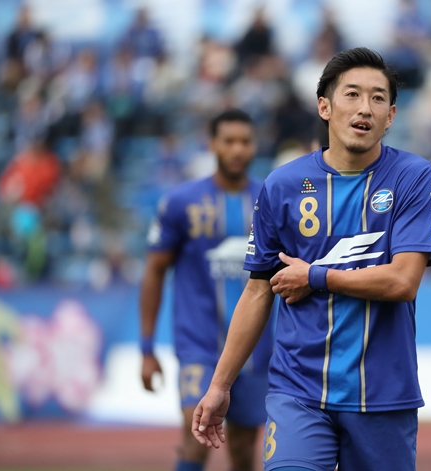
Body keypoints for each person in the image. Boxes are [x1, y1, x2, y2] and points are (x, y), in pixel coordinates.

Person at [192, 48, 431, 471]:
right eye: (352, 94)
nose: (365, 108)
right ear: (325, 107)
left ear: (391, 116)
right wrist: (220, 385)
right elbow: (257, 291)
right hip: (298, 390)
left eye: (378, 98)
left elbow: (403, 281)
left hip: (382, 394)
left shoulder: (415, 177)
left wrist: (315, 276)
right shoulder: (282, 185)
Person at [139, 109, 273, 471]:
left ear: (254, 146)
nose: (237, 150)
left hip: (255, 349)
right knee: (195, 433)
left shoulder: (271, 200)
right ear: (212, 144)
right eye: (229, 141)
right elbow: (154, 271)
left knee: (243, 451)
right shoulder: (181, 202)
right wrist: (147, 348)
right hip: (198, 346)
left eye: (245, 142)